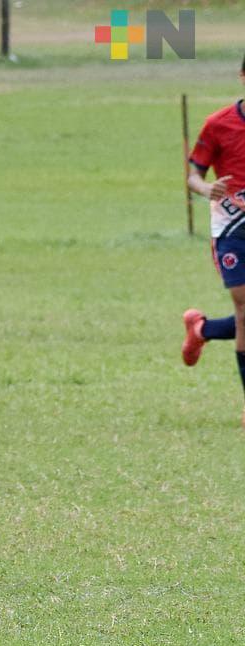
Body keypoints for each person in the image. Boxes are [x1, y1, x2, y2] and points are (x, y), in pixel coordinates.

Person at [181, 55, 245, 426]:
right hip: (232, 231)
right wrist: (207, 188)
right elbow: (193, 175)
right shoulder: (219, 124)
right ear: (241, 76)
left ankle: (202, 329)